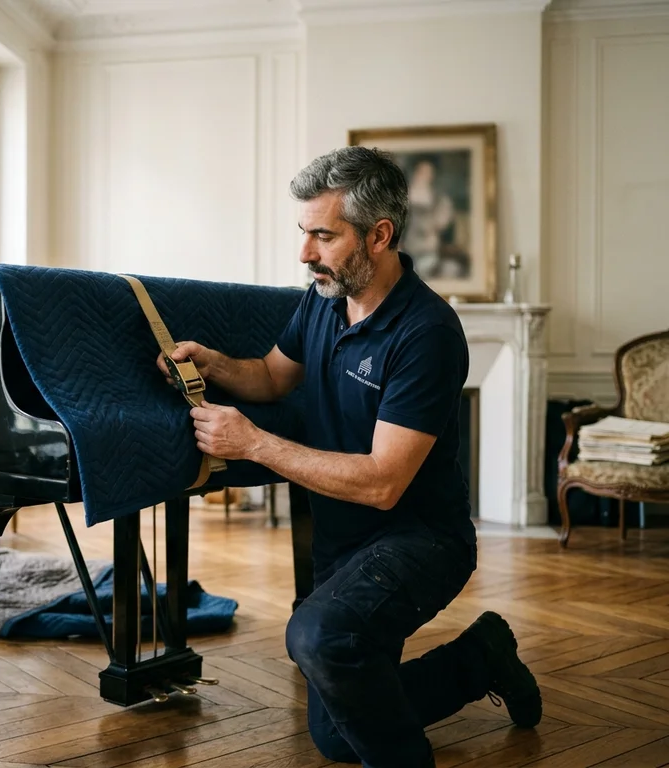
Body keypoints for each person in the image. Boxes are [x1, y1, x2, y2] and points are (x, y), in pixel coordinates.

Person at [156, 147, 542, 767]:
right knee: (337, 734)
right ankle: (482, 657)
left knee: (317, 636)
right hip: (346, 547)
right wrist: (215, 364)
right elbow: (272, 377)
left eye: (323, 235)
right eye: (303, 233)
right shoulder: (323, 300)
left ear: (379, 235)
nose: (305, 252)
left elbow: (384, 483)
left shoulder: (427, 333)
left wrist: (253, 443)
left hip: (421, 543)